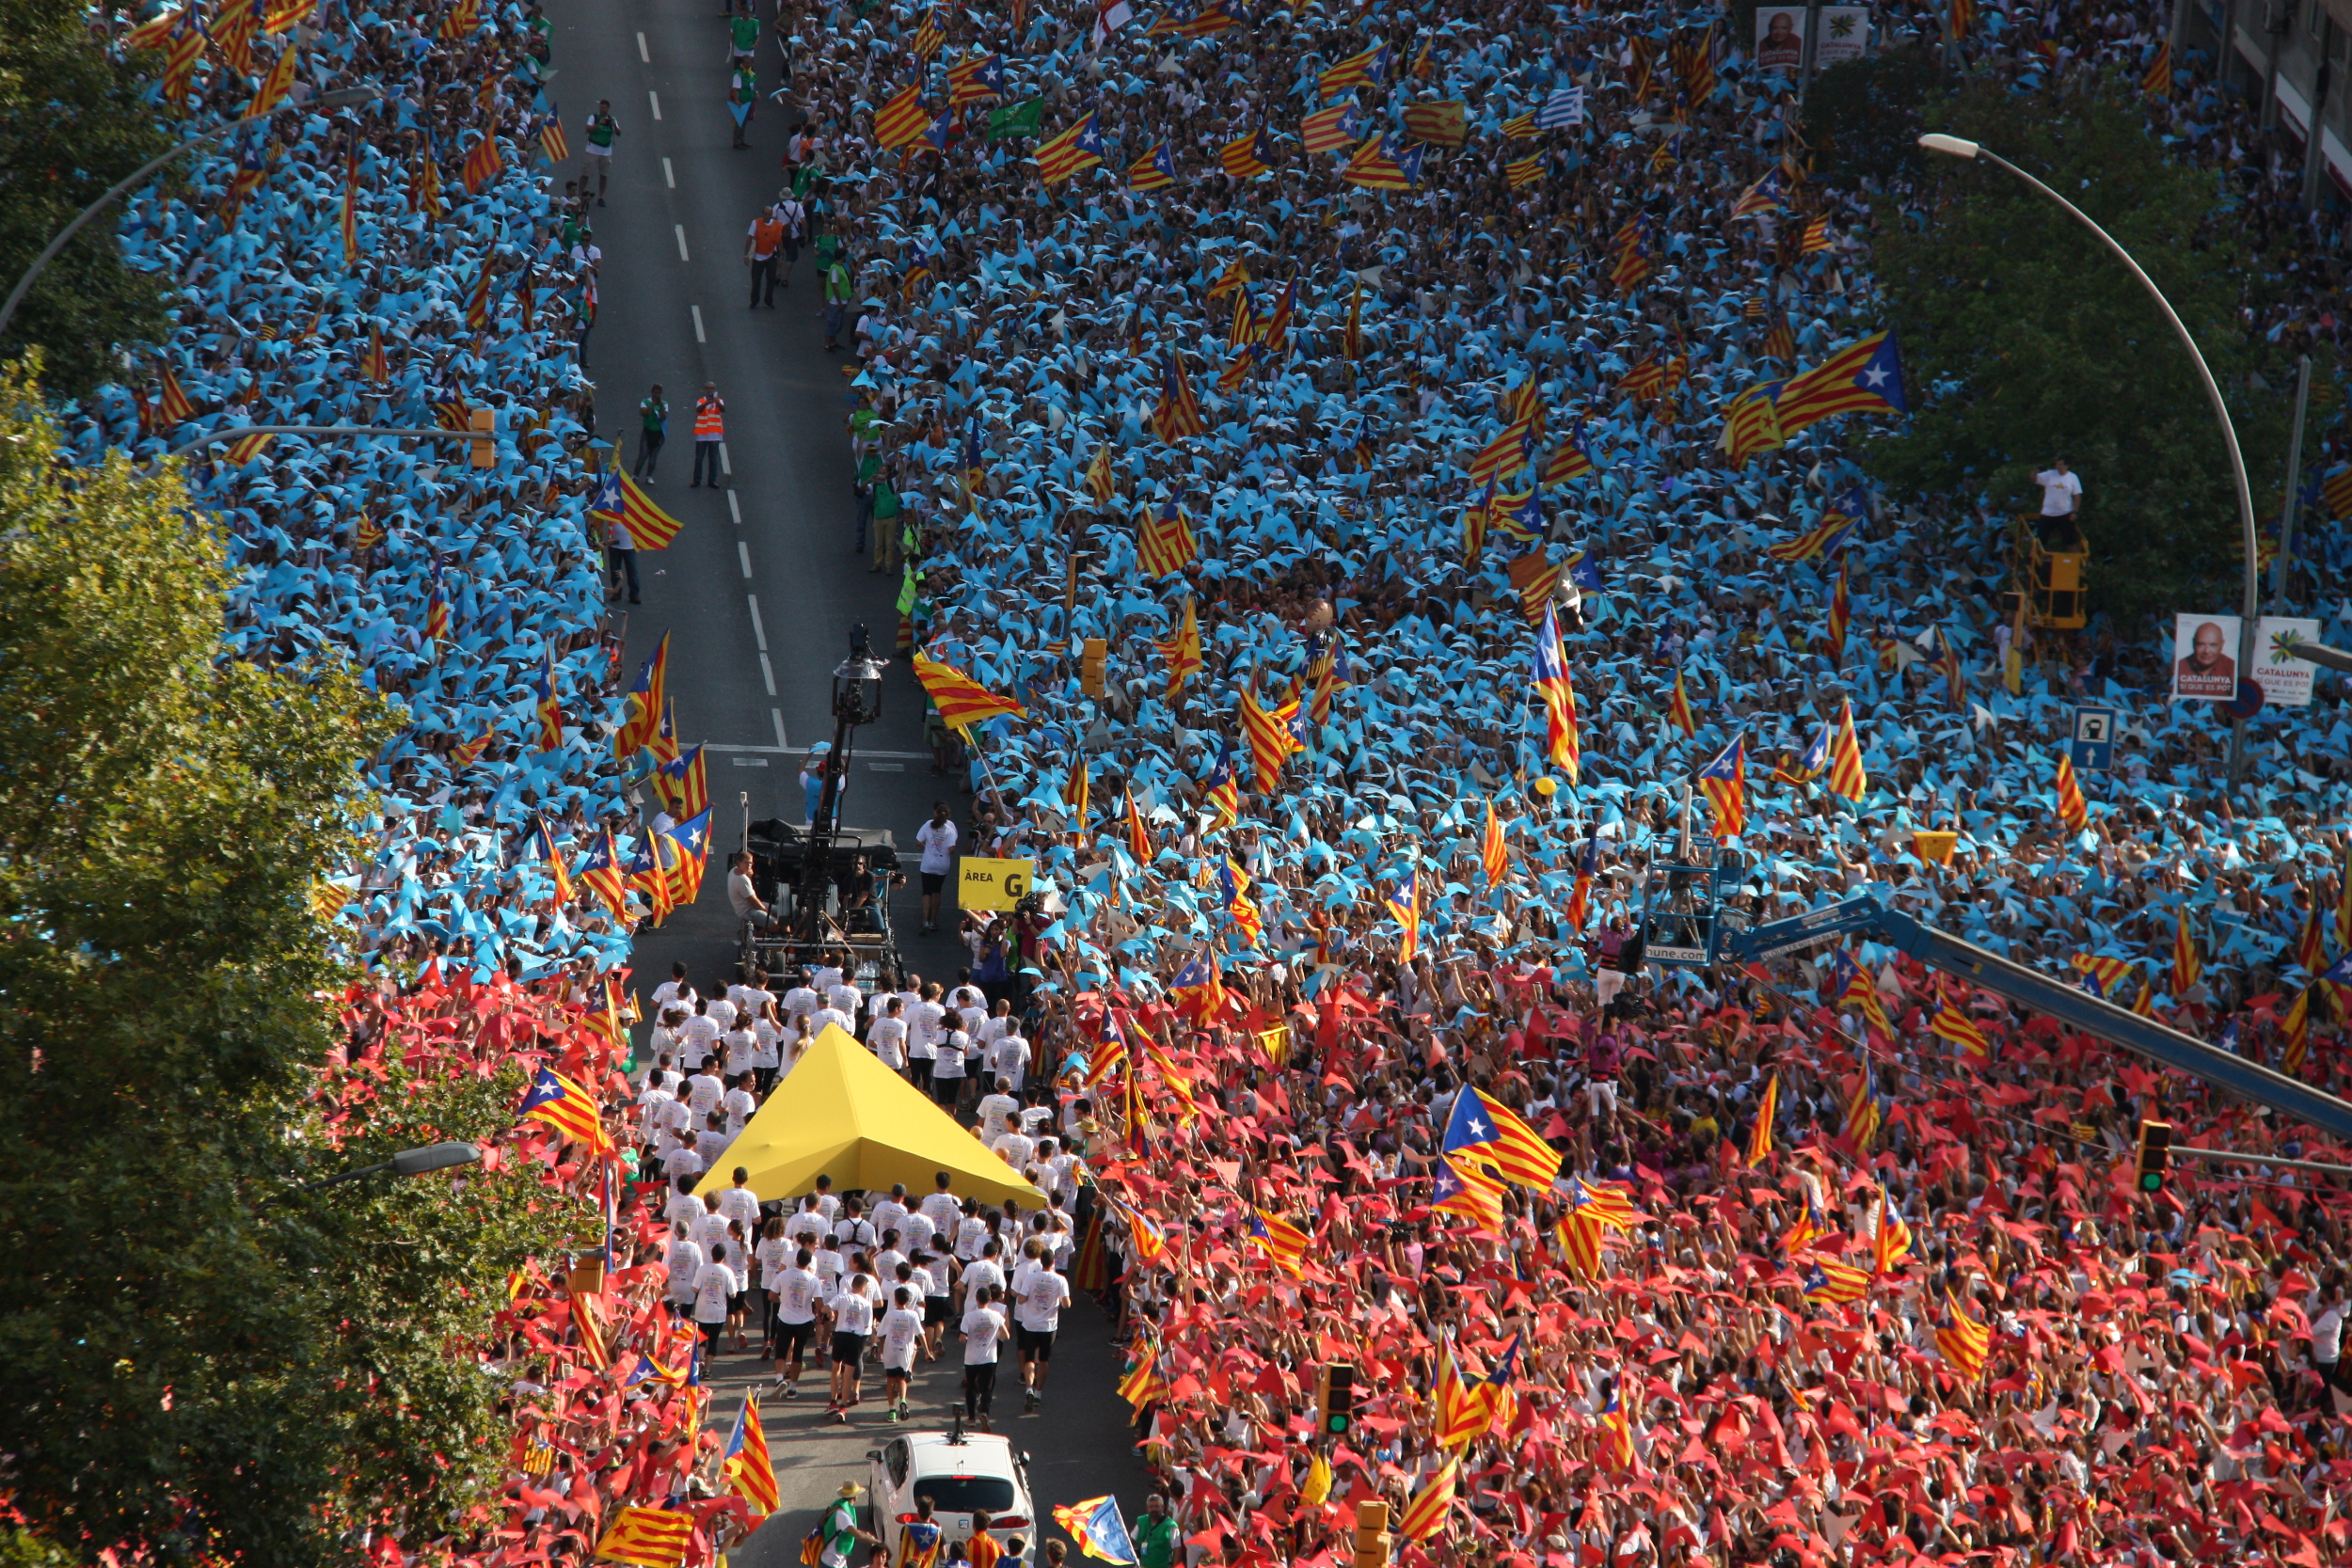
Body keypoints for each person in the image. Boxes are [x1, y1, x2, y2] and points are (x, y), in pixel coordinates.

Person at [1011, 1253, 1067, 1409]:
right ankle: (1038, 1393)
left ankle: (1028, 1388)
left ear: (1041, 1262)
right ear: (1053, 1262)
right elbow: (1067, 1303)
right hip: (1048, 1325)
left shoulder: (1031, 1278)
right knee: (1043, 1360)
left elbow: (1021, 1299)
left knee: (1029, 1358)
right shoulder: (1060, 1279)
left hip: (1030, 1323)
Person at [959, 1282, 1007, 1432]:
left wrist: (966, 1338)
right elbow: (1006, 1334)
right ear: (989, 1299)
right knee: (986, 1388)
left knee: (971, 1386)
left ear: (977, 1299)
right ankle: (984, 1412)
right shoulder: (997, 1316)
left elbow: (962, 1337)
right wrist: (992, 1336)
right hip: (989, 1357)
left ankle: (971, 1418)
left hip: (972, 1357)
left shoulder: (968, 1317)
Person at [877, 1283, 923, 1422]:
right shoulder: (913, 1315)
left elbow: (880, 1333)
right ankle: (903, 1400)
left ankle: (892, 1411)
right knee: (902, 1378)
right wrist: (927, 1351)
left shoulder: (890, 1314)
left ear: (895, 1300)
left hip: (891, 1350)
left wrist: (878, 1349)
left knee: (891, 1380)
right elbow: (920, 1333)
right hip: (905, 1351)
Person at [914, 801, 958, 934]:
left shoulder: (928, 825)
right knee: (937, 890)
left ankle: (925, 920)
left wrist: (926, 847)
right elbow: (952, 849)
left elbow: (918, 841)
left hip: (928, 863)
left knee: (926, 891)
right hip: (942, 864)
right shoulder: (950, 828)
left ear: (935, 813)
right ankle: (933, 920)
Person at [817, 1482, 876, 1568]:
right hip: (832, 1562)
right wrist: (877, 1542)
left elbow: (849, 1529)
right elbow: (858, 1535)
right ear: (855, 1497)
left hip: (837, 1561)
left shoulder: (839, 1508)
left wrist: (866, 1535)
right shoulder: (842, 1515)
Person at [2175, 619, 2236, 697]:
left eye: (2213, 645)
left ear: (2222, 645)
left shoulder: (2231, 668)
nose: (2206, 651)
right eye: (2201, 644)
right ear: (2193, 643)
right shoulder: (2180, 667)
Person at [2032, 457, 2081, 544]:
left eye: (2061, 464)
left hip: (2065, 513)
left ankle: (2075, 557)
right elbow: (2035, 480)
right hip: (2048, 513)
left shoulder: (2073, 477)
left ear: (2067, 466)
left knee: (2070, 539)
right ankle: (2032, 556)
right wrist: (2034, 471)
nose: (2058, 466)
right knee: (2040, 539)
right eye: (2057, 464)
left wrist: (2075, 512)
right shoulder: (2050, 474)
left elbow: (2077, 495)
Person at [745, 203, 787, 308]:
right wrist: (746, 255)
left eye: (769, 214)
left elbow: (779, 241)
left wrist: (781, 256)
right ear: (762, 214)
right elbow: (749, 238)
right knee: (756, 280)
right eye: (766, 214)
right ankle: (754, 300)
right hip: (758, 257)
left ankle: (769, 300)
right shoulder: (756, 223)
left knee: (771, 280)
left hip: (771, 256)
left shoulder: (777, 226)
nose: (767, 216)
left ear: (772, 215)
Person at [726, 850, 774, 932]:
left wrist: (749, 876)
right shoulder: (742, 879)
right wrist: (766, 911)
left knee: (779, 911)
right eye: (746, 863)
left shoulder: (734, 871)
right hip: (747, 911)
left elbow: (748, 890)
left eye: (751, 863)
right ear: (739, 862)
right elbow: (753, 901)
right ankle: (757, 938)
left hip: (748, 906)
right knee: (775, 924)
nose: (749, 866)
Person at [690, 382, 725, 488]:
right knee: (699, 458)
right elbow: (698, 410)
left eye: (712, 388)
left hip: (714, 434)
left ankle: (712, 480)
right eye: (708, 388)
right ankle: (697, 480)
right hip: (702, 435)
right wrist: (706, 403)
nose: (710, 390)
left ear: (715, 390)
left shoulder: (719, 401)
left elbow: (723, 409)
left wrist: (716, 402)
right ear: (705, 390)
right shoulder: (701, 401)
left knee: (713, 459)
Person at [581, 100, 618, 204]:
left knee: (604, 175)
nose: (602, 110)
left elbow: (619, 133)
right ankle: (580, 194)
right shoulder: (594, 118)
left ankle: (601, 197)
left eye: (604, 108)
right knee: (586, 173)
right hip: (592, 149)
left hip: (605, 151)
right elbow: (588, 129)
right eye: (601, 108)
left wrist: (614, 125)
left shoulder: (612, 119)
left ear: (608, 109)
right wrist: (599, 124)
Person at [601, 506, 639, 605]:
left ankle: (634, 594)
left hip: (629, 547)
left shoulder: (633, 514)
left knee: (632, 572)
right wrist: (609, 538)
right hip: (615, 548)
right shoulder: (614, 513)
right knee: (615, 571)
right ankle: (616, 592)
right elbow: (610, 526)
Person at [633, 384, 667, 480]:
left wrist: (660, 407)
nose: (657, 395)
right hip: (647, 432)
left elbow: (664, 417)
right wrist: (652, 405)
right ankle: (635, 474)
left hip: (659, 434)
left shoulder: (664, 404)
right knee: (643, 455)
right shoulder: (645, 402)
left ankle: (649, 476)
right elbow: (644, 413)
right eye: (655, 393)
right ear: (652, 393)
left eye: (659, 393)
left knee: (653, 457)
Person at [1132, 1497, 1176, 1568]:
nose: (1154, 1509)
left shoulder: (1171, 1525)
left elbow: (1177, 1550)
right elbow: (1131, 1541)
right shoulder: (1141, 1521)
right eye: (1151, 1507)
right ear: (1147, 1508)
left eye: (1157, 1506)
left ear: (1163, 1507)